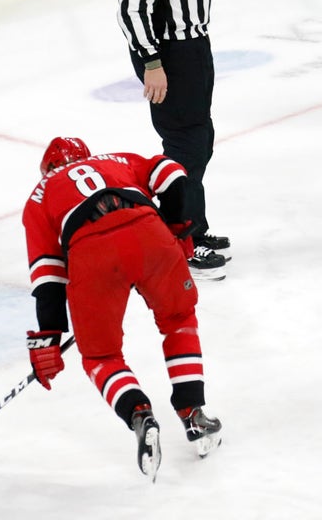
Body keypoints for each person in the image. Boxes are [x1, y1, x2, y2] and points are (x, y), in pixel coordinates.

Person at [22, 136, 223, 480]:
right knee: (178, 320)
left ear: (47, 170)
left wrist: (49, 336)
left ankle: (139, 413)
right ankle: (194, 413)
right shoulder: (117, 159)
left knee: (101, 357)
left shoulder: (39, 196)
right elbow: (174, 175)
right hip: (149, 230)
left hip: (90, 252)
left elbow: (48, 275)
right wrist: (177, 226)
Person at [116, 0, 229, 280]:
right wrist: (151, 62)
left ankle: (193, 229)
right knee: (184, 147)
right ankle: (178, 240)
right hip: (171, 55)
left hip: (193, 48)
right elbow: (133, 5)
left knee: (199, 143)